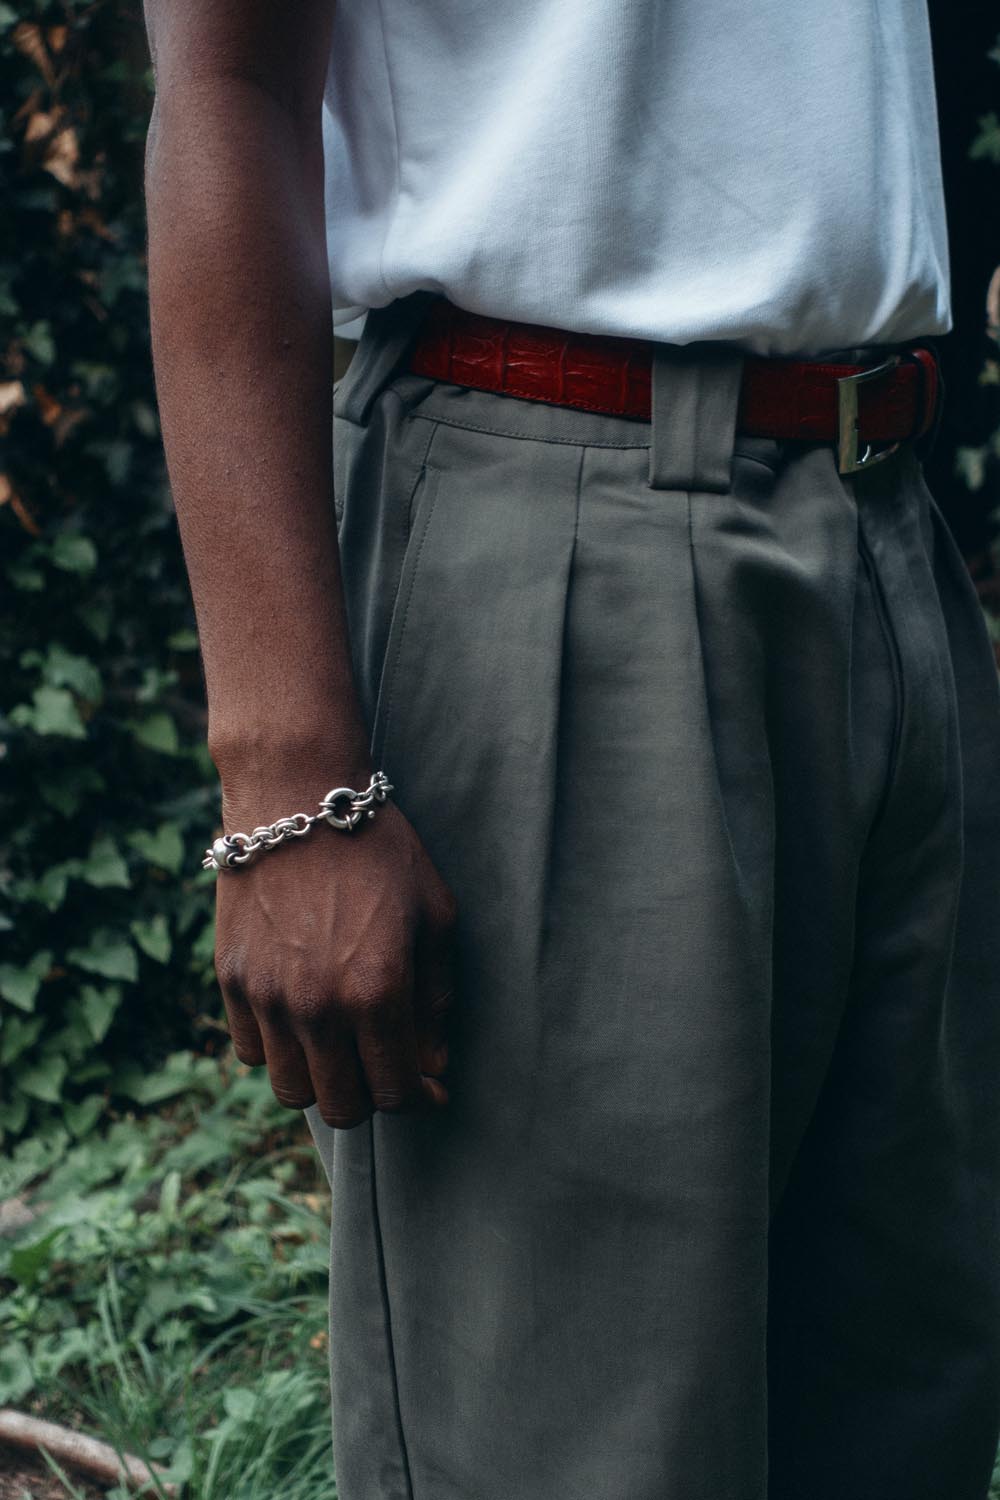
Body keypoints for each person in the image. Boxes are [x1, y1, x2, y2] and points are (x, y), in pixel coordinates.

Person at [140, 2, 1000, 1497]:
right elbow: (227, 84)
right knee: (579, 1455)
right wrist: (285, 772)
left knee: (904, 1413)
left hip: (882, 520)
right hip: (552, 518)